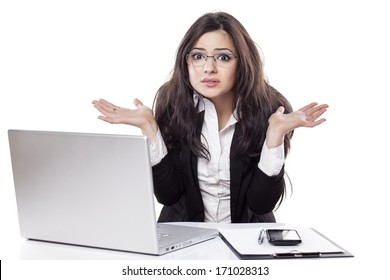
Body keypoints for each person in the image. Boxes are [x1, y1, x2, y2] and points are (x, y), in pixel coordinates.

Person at [92, 11, 328, 223]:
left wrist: (275, 135)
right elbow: (169, 195)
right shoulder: (173, 103)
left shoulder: (269, 109)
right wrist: (150, 128)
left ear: (243, 63)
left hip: (246, 241)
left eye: (223, 57)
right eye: (198, 56)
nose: (208, 68)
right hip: (183, 237)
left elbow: (261, 204)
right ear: (186, 61)